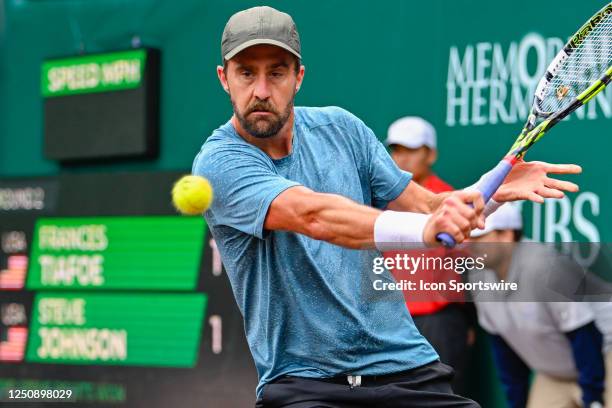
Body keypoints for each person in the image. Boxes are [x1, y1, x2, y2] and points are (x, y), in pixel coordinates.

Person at [192, 6, 582, 407]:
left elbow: (426, 207)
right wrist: (427, 230)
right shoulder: (219, 164)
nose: (260, 89)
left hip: (406, 367)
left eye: (276, 72)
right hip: (306, 383)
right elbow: (311, 215)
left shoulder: (342, 128)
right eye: (245, 73)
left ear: (298, 78)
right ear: (224, 78)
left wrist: (491, 191)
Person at [468, 204, 605, 408]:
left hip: (603, 359)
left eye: (479, 237)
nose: (471, 245)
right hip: (555, 373)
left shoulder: (545, 267)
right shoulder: (477, 276)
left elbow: (586, 336)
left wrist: (593, 396)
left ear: (506, 235)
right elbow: (504, 350)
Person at [386, 116, 474, 395]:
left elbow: (468, 267)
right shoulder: (380, 198)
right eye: (397, 150)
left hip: (440, 321)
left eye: (412, 150)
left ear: (430, 154)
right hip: (392, 321)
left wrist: (469, 321)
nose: (402, 158)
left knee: (441, 397)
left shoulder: (451, 200)